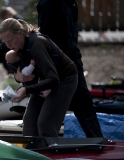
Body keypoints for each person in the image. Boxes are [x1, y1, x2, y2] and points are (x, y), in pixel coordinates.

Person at [0, 18, 78, 136]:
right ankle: (32, 152)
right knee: (29, 122)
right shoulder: (19, 47)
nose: (9, 45)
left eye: (11, 40)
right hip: (44, 81)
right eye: (5, 42)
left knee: (45, 123)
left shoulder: (37, 44)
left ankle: (50, 152)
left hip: (64, 79)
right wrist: (17, 77)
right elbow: (26, 71)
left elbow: (53, 79)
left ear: (20, 33)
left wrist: (25, 90)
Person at [36, 0, 103, 137]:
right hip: (57, 62)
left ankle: (97, 141)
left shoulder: (70, 2)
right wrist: (47, 73)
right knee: (44, 110)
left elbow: (71, 34)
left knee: (83, 104)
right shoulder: (51, 3)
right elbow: (46, 36)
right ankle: (42, 147)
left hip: (71, 59)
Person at [0, 6, 23, 75]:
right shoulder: (5, 21)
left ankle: (13, 71)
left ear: (9, 14)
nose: (4, 19)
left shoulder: (17, 19)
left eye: (4, 17)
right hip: (5, 45)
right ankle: (10, 71)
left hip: (13, 44)